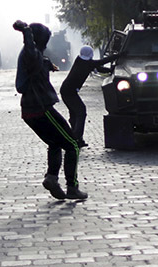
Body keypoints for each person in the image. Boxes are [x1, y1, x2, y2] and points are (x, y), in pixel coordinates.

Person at [13, 20, 87, 200]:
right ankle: (72, 187)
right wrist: (27, 31)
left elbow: (36, 60)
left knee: (55, 143)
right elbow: (31, 52)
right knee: (72, 145)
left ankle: (52, 179)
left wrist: (47, 65)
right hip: (41, 108)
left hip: (29, 112)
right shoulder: (30, 53)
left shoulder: (34, 56)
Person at [60, 45, 119, 148]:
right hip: (69, 92)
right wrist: (119, 55)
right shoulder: (88, 63)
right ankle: (76, 138)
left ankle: (77, 138)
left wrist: (110, 70)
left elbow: (99, 67)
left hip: (66, 90)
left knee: (74, 114)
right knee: (81, 112)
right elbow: (101, 62)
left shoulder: (80, 60)